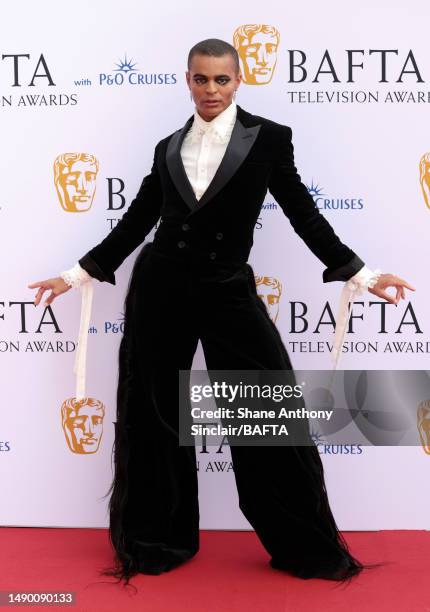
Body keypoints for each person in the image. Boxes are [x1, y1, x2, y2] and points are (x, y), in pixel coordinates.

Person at [28, 38, 414, 585]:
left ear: (238, 81)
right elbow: (139, 218)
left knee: (264, 412)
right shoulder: (167, 146)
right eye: (201, 79)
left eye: (221, 80)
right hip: (161, 289)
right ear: (188, 80)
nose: (211, 89)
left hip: (227, 289)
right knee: (156, 414)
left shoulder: (269, 139)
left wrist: (362, 273)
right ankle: (158, 540)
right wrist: (75, 275)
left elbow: (304, 213)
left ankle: (303, 547)